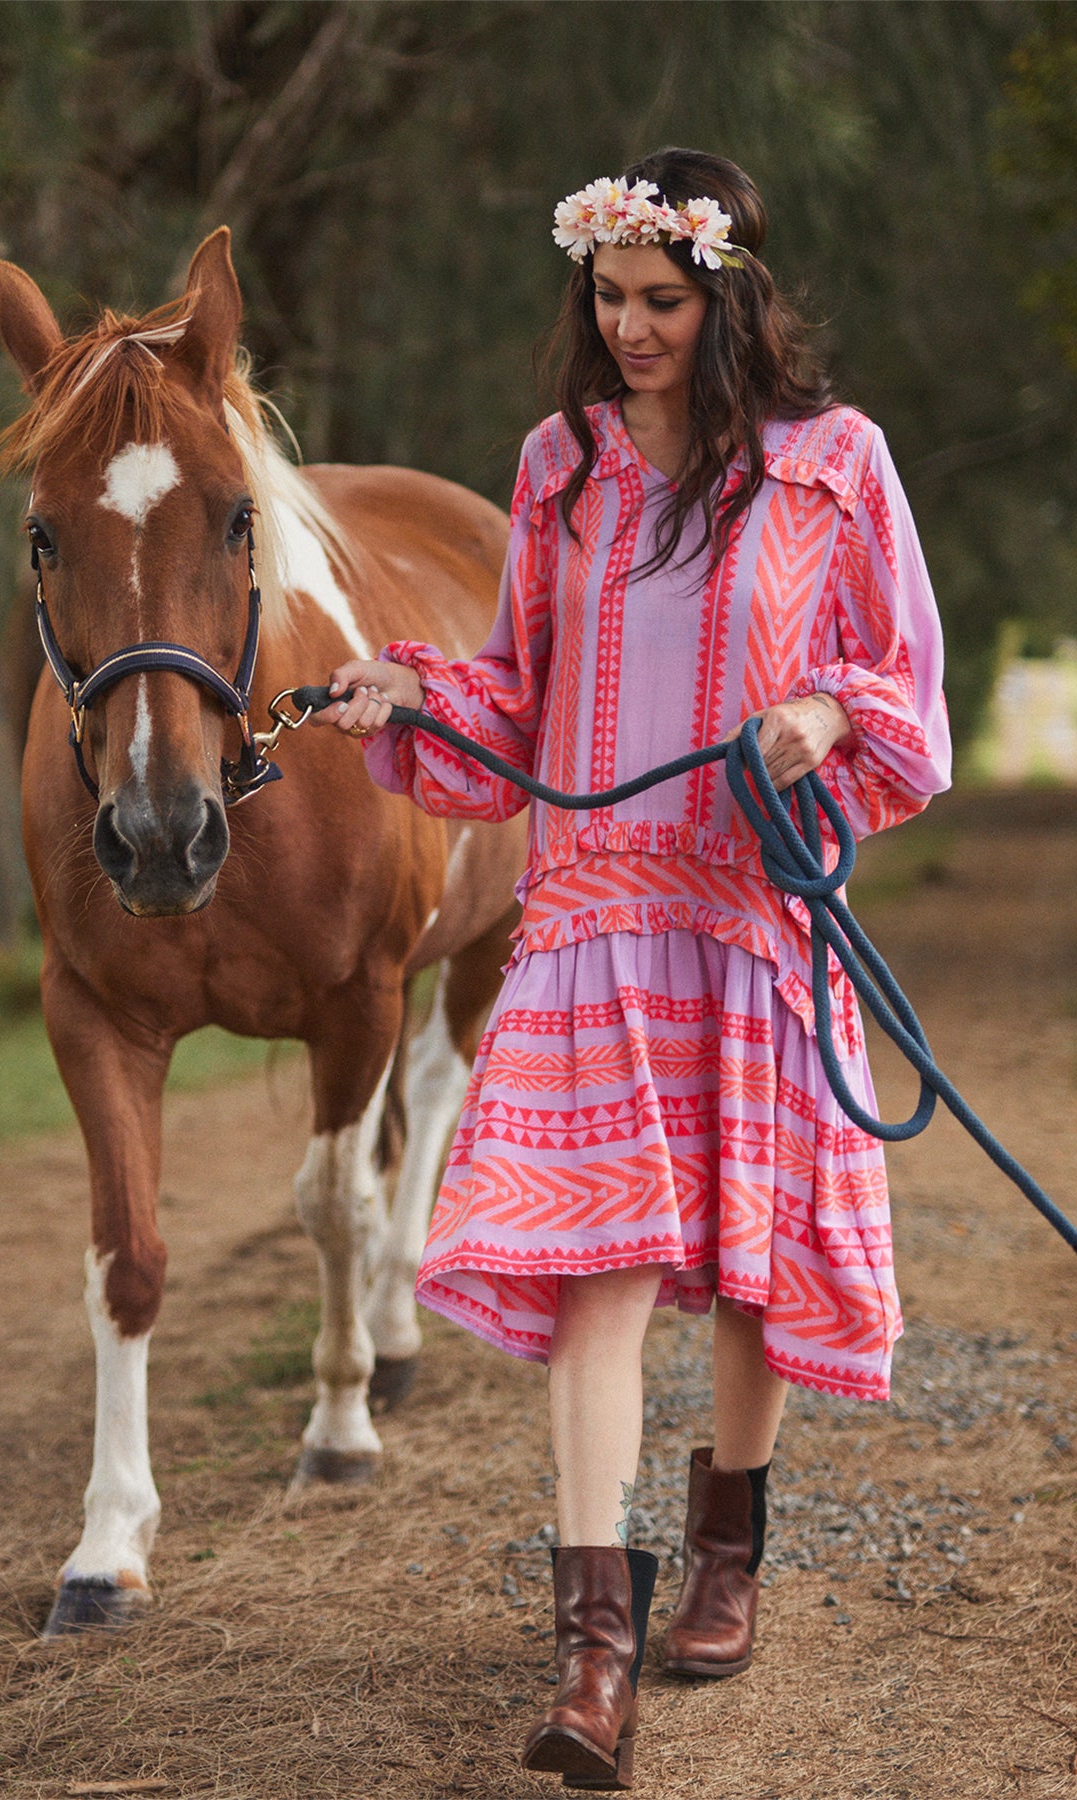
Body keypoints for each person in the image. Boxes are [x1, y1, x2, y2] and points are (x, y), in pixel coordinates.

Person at [312, 147, 950, 1791]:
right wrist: (415, 696)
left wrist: (821, 720)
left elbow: (904, 693)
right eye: (609, 299)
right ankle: (594, 1653)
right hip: (594, 914)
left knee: (746, 1269)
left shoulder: (835, 465)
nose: (634, 329)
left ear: (726, 295)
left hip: (751, 914)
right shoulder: (561, 465)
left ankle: (726, 1552)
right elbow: (523, 692)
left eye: (664, 300)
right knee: (594, 1271)